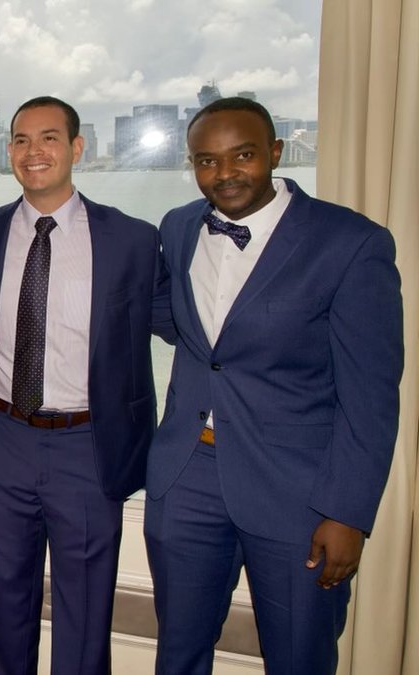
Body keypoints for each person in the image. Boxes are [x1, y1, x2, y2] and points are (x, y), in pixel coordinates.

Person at [144, 97, 403, 675]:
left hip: (300, 494)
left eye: (242, 156)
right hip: (188, 477)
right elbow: (181, 327)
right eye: (206, 161)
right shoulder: (180, 226)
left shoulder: (351, 243)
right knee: (178, 654)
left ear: (276, 153)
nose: (225, 173)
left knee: (299, 659)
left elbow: (372, 397)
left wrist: (348, 512)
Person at [0, 96, 173, 675]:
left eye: (49, 138)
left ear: (78, 148)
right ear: (9, 153)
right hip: (1, 437)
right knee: (5, 594)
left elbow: (186, 323)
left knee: (84, 604)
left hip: (87, 444)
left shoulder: (131, 238)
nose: (34, 152)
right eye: (21, 140)